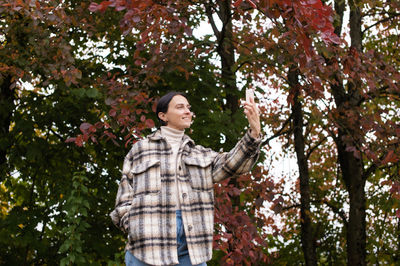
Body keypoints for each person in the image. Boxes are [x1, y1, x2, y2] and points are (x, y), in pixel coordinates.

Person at [110, 91, 262, 266]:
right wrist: (136, 228)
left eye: (188, 107)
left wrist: (254, 132)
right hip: (146, 248)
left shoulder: (200, 154)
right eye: (180, 107)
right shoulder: (140, 150)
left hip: (191, 249)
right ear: (163, 115)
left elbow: (233, 165)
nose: (188, 111)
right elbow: (123, 199)